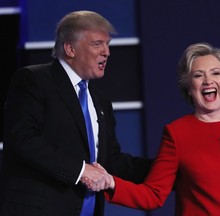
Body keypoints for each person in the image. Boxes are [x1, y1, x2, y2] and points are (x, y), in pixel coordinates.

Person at [101, 42, 220, 215]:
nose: (208, 80)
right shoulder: (177, 133)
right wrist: (111, 183)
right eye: (198, 75)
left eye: (215, 73)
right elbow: (154, 194)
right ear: (189, 87)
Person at [0, 10, 151, 216]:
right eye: (98, 44)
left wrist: (170, 169)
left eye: (108, 44)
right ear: (70, 48)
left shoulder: (100, 101)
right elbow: (23, 139)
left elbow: (112, 162)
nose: (107, 52)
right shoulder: (33, 80)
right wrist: (80, 171)